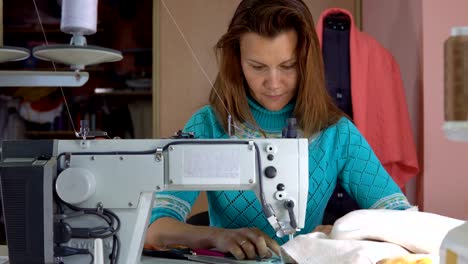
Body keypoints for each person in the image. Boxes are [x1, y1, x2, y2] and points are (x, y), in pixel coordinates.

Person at [145, 0, 411, 260]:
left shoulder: (337, 133)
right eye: (257, 67)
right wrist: (216, 236)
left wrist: (349, 234)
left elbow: (404, 220)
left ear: (306, 62)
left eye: (288, 66)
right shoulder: (208, 125)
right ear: (237, 61)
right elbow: (154, 229)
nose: (273, 83)